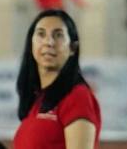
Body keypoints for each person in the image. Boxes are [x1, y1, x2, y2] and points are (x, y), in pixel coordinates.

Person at [13, 9, 99, 149]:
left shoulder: (77, 96)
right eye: (41, 34)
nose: (49, 42)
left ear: (73, 48)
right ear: (31, 43)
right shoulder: (37, 99)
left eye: (58, 35)